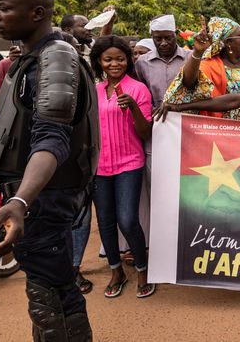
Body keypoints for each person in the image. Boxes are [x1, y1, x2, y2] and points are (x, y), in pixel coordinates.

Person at [0, 0, 99, 341]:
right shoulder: (32, 58)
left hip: (42, 201)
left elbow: (52, 140)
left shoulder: (55, 60)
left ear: (36, 13)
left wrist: (19, 200)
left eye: (3, 7)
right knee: (55, 288)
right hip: (37, 198)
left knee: (49, 296)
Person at [89, 36, 155, 298]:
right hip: (100, 166)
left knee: (127, 220)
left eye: (120, 58)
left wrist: (133, 109)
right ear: (99, 62)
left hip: (130, 162)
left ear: (128, 60)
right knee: (105, 221)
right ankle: (115, 271)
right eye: (108, 59)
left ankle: (142, 270)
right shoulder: (94, 91)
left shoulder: (138, 89)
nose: (114, 63)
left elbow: (146, 130)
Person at [134, 14, 192, 109]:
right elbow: (140, 93)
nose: (164, 43)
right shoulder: (142, 62)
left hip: (186, 118)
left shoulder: (190, 57)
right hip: (156, 119)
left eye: (168, 38)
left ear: (175, 35)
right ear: (152, 37)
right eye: (158, 39)